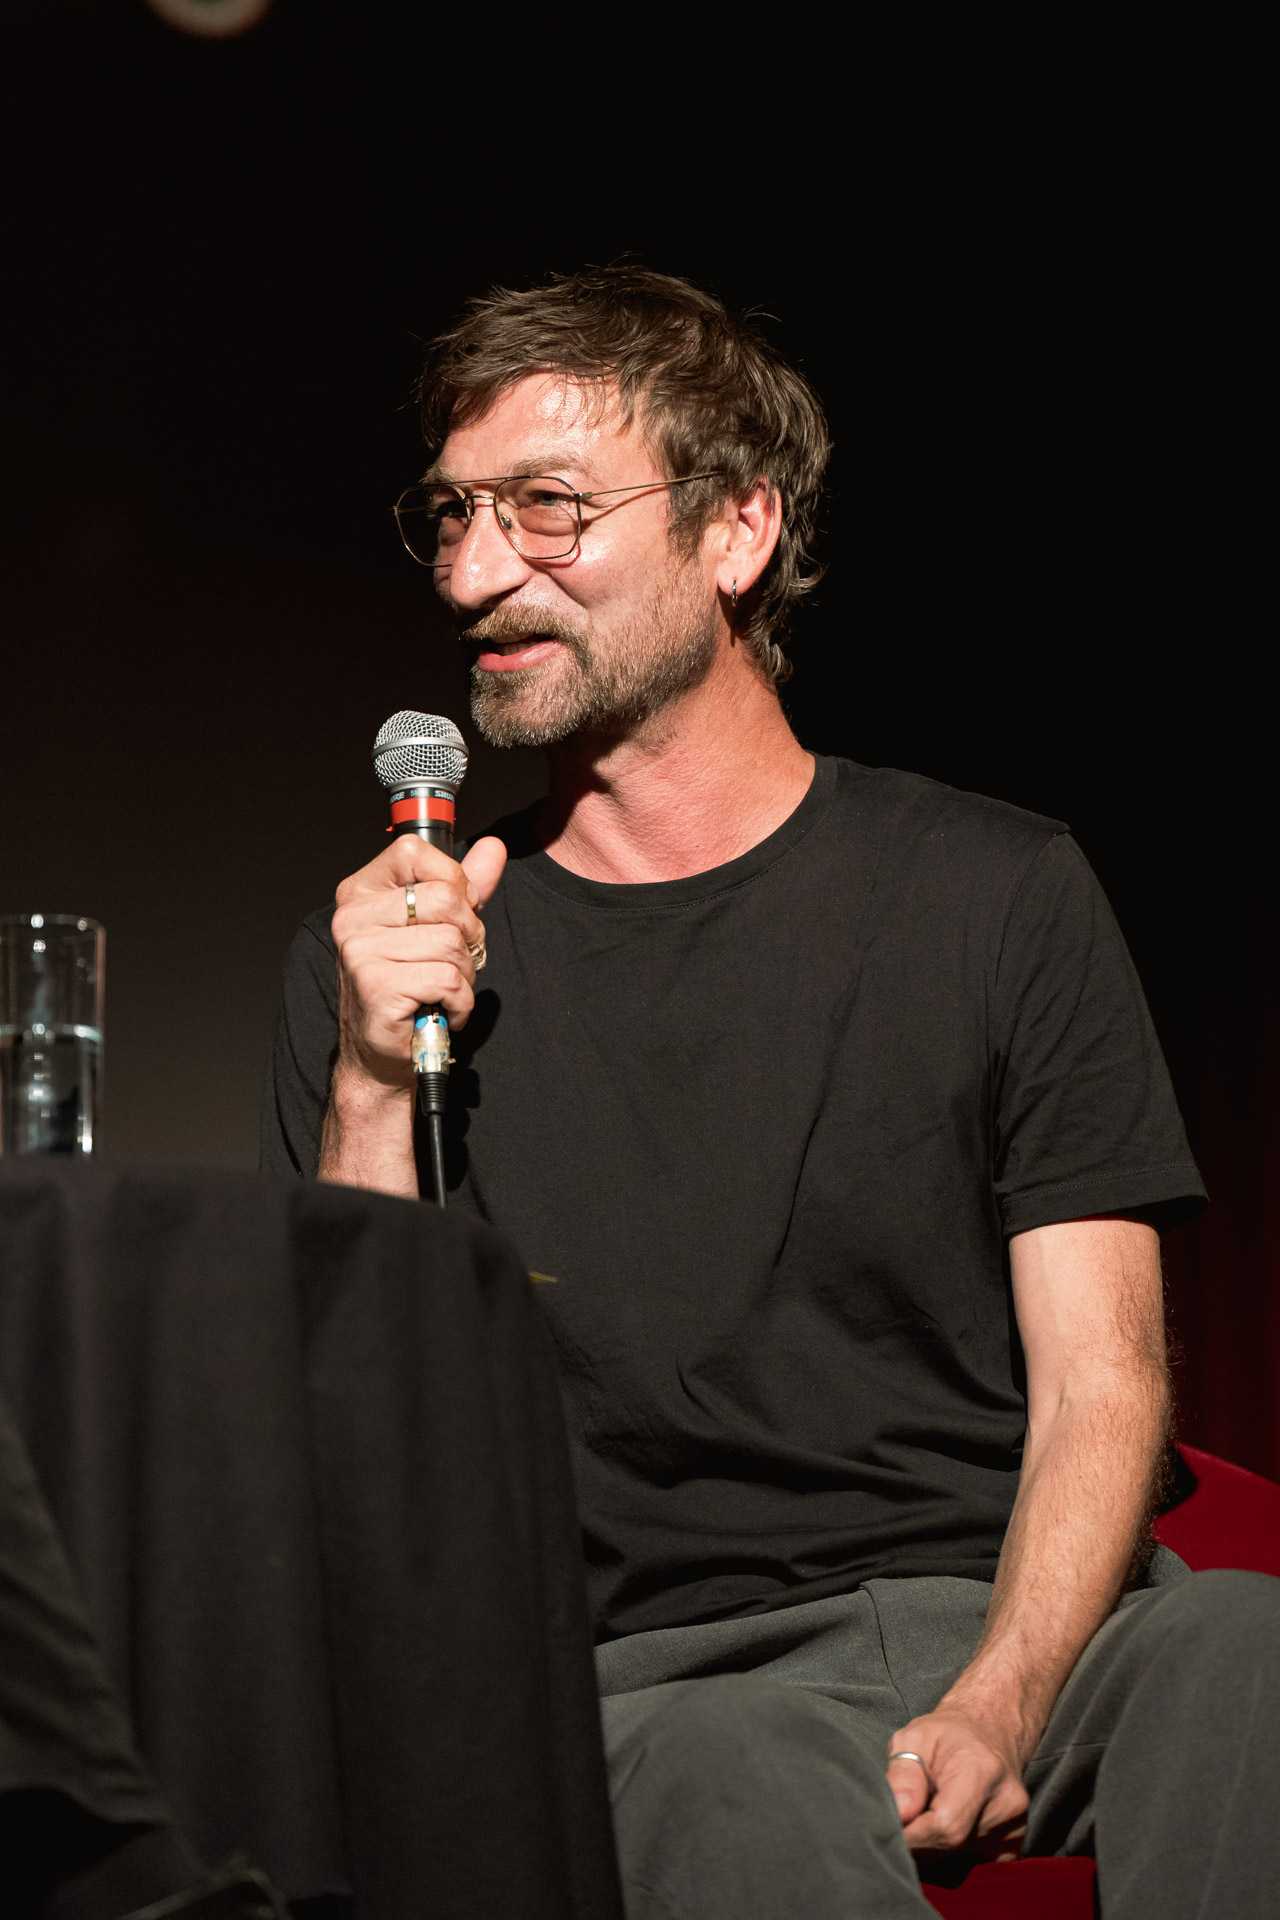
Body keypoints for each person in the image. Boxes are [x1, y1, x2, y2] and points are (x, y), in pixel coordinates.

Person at [262, 266, 1280, 1918]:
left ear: (737, 530)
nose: (474, 572)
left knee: (1251, 1644)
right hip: (663, 1678)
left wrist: (1004, 1697)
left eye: (546, 507)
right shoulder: (383, 957)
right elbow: (352, 1456)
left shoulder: (998, 890)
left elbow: (1106, 1379)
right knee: (726, 1765)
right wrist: (378, 1082)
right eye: (451, 515)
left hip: (1006, 1622)